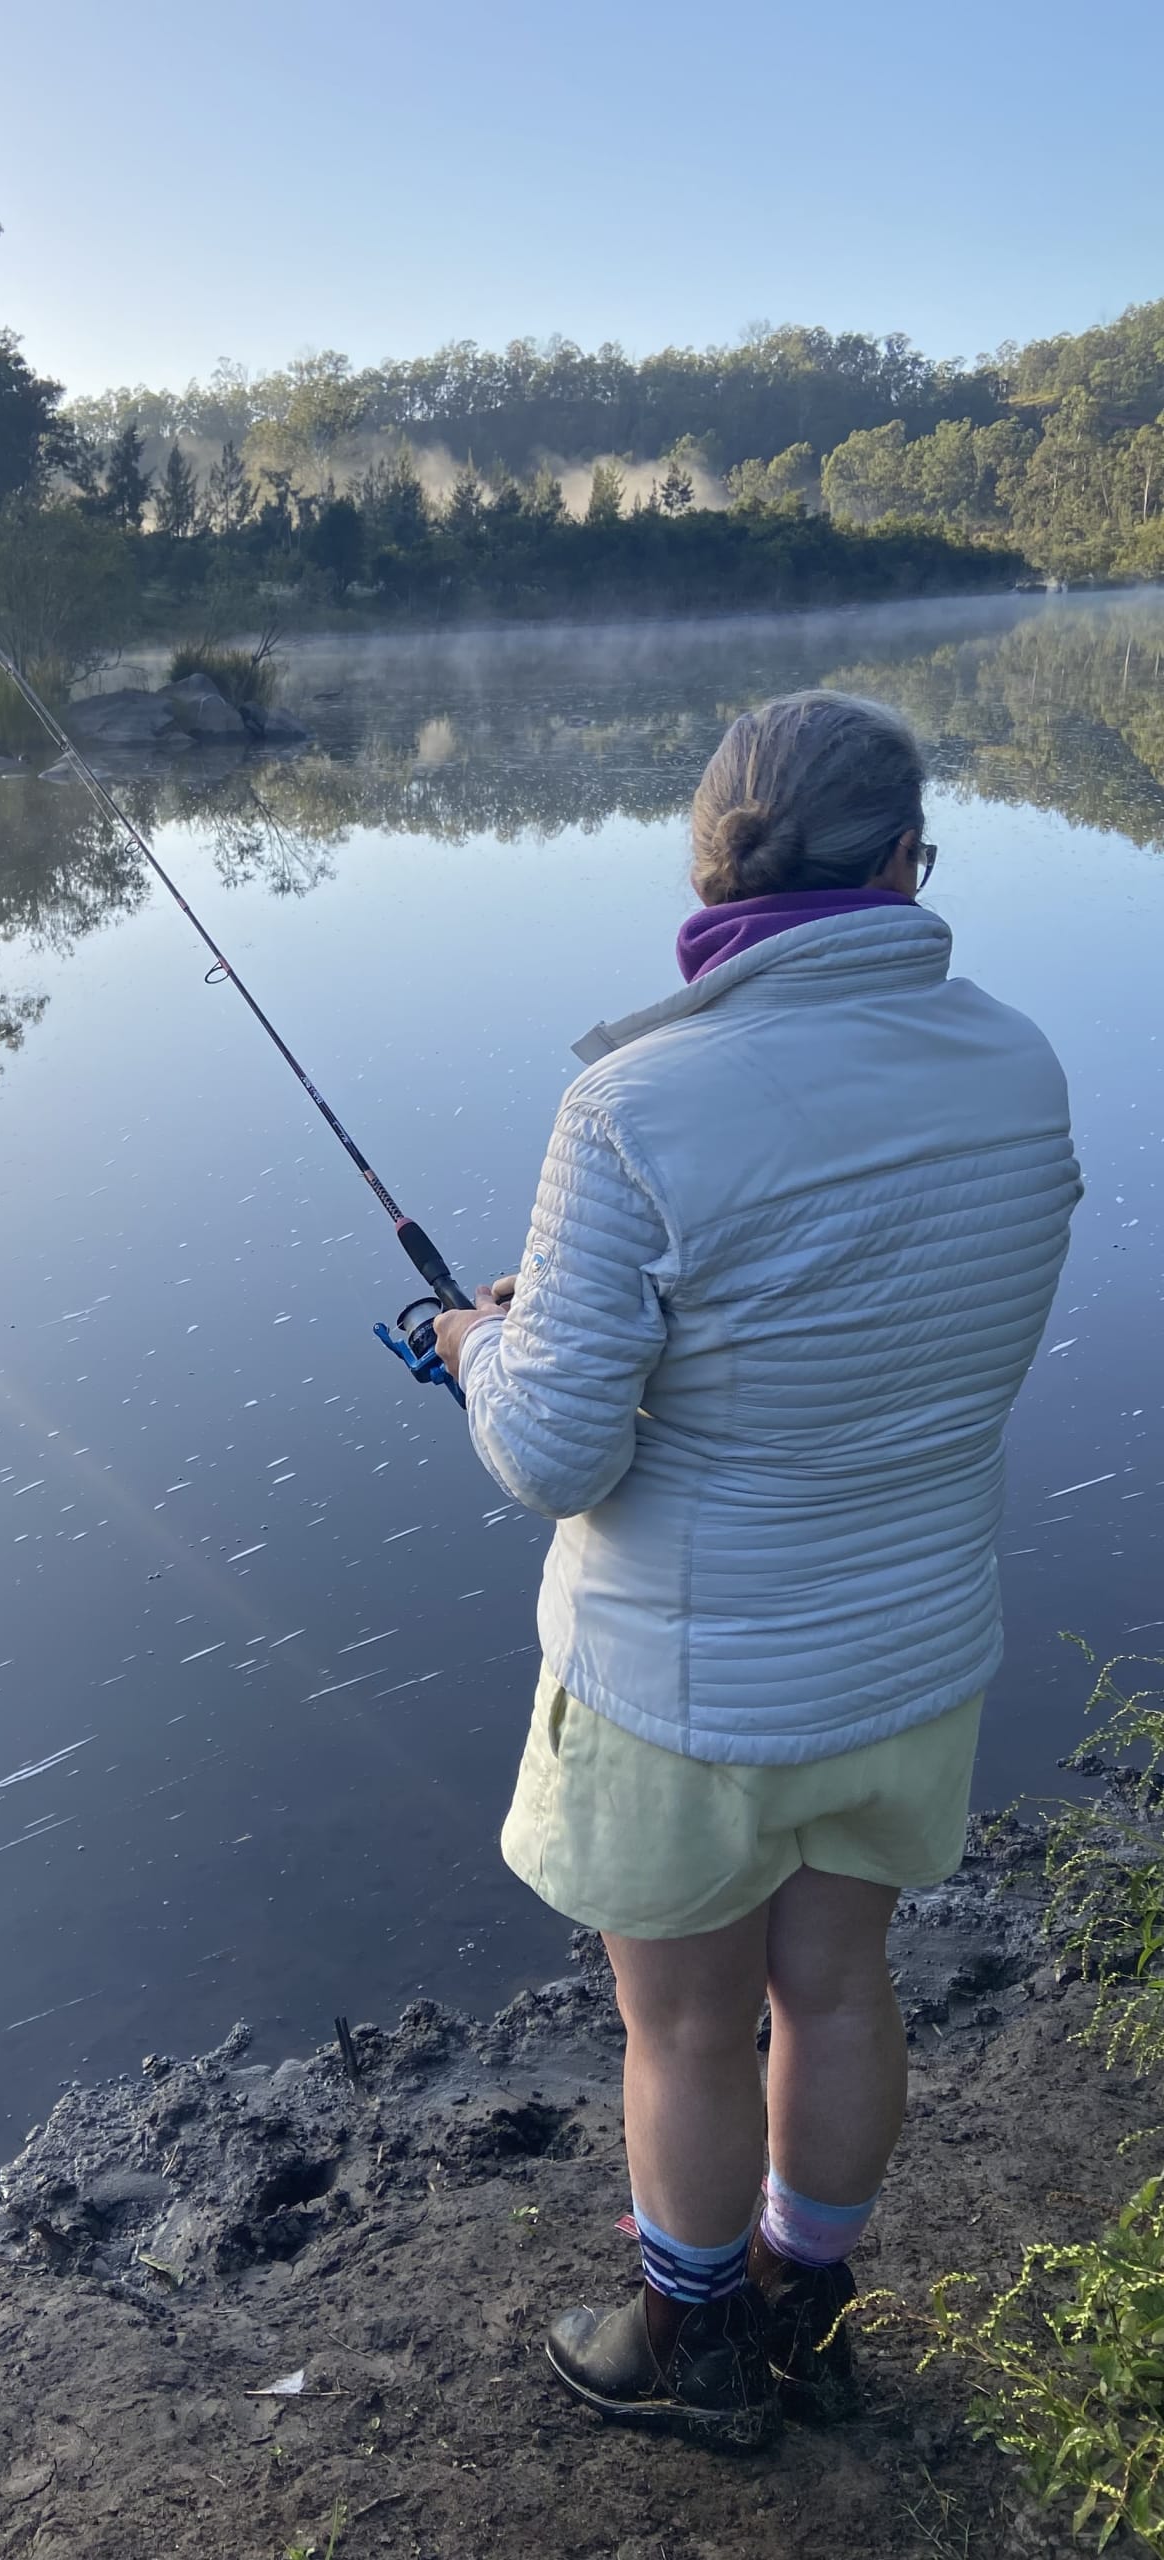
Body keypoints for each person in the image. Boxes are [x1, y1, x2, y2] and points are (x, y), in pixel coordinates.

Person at [432, 690, 1080, 2450]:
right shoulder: (1020, 1061)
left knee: (693, 2034)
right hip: (916, 1653)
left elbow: (554, 1454)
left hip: (686, 1685)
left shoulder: (632, 1103)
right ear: (902, 861)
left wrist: (476, 1343)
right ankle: (811, 2307)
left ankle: (691, 2344)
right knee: (843, 1986)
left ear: (711, 861)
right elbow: (910, 1317)